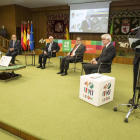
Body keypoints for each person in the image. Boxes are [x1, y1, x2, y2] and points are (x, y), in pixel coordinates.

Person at [129, 29, 140, 104]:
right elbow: (134, 43)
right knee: (136, 79)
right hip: (137, 58)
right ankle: (134, 97)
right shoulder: (139, 30)